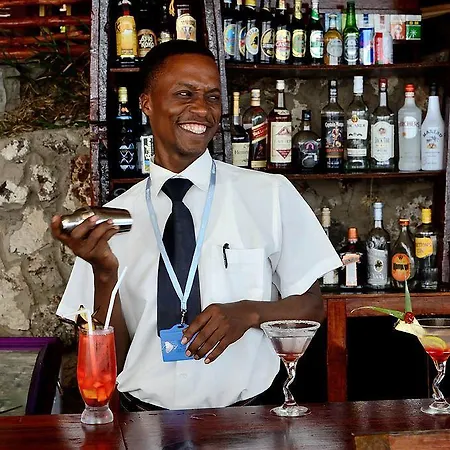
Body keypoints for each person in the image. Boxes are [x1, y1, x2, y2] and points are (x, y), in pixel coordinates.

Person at [52, 40, 342, 411]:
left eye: (213, 97)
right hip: (143, 422)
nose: (202, 109)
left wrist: (249, 313)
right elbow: (110, 360)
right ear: (146, 103)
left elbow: (312, 307)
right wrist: (104, 274)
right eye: (185, 94)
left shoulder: (269, 194)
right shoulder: (113, 222)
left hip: (249, 419)